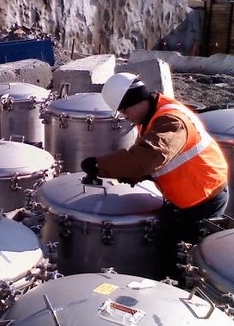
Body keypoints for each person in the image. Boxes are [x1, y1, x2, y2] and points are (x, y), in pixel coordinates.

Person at [80, 72, 230, 282]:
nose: (124, 116)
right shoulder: (152, 114)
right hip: (187, 193)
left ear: (137, 100)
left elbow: (148, 157)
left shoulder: (171, 121)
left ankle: (178, 298)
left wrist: (100, 166)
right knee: (165, 246)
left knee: (183, 261)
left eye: (125, 109)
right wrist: (138, 175)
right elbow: (156, 159)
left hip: (203, 198)